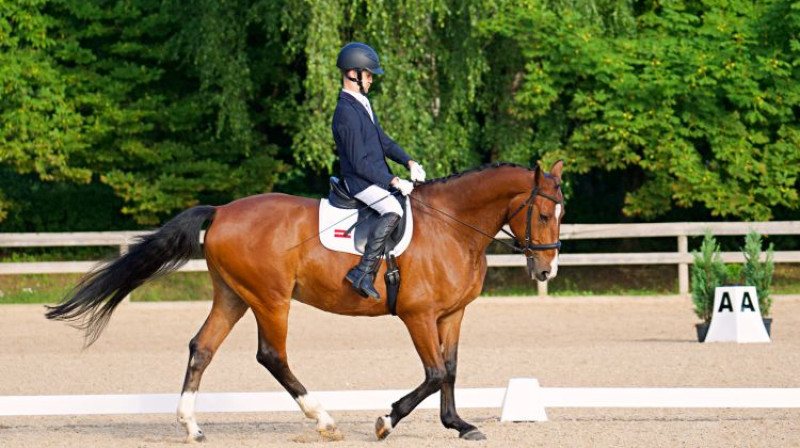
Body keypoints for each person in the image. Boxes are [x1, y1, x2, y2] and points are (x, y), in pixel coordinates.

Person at [332, 42, 426, 300]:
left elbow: (382, 141)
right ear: (353, 74)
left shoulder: (362, 103)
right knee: (394, 209)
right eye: (369, 74)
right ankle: (363, 272)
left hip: (372, 178)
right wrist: (393, 180)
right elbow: (359, 162)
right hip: (359, 182)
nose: (372, 80)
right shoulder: (345, 112)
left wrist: (408, 162)